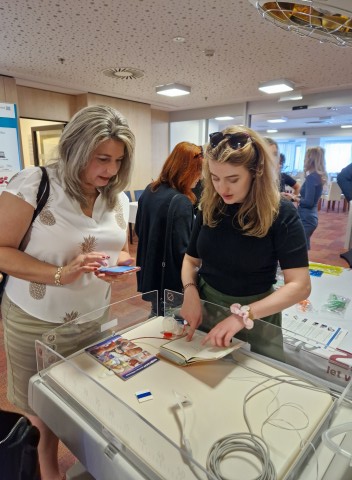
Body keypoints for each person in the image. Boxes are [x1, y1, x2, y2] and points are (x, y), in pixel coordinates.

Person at [0, 104, 136, 480]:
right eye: (101, 158)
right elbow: (1, 249)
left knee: (84, 396)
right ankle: (47, 469)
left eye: (118, 160)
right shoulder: (35, 183)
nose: (110, 170)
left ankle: (86, 458)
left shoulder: (116, 196)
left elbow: (116, 248)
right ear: (75, 148)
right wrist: (60, 274)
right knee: (41, 408)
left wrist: (117, 265)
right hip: (36, 318)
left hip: (94, 316)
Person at [179, 126, 311, 359]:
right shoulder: (210, 205)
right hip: (207, 307)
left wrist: (244, 315)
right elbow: (190, 260)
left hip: (257, 315)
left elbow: (300, 285)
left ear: (255, 172)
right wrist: (190, 292)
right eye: (215, 178)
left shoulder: (281, 212)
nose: (222, 188)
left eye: (233, 179)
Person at [135, 142, 203, 314]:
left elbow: (138, 229)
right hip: (170, 278)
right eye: (198, 171)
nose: (200, 177)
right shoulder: (181, 201)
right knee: (171, 322)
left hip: (149, 270)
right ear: (188, 171)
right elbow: (183, 249)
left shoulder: (150, 190)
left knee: (157, 316)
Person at [298, 147, 327, 250]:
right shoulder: (316, 176)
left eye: (306, 157)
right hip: (310, 216)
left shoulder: (312, 178)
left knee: (299, 249)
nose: (304, 160)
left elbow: (309, 202)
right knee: (302, 248)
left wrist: (295, 199)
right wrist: (297, 197)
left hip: (306, 217)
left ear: (310, 159)